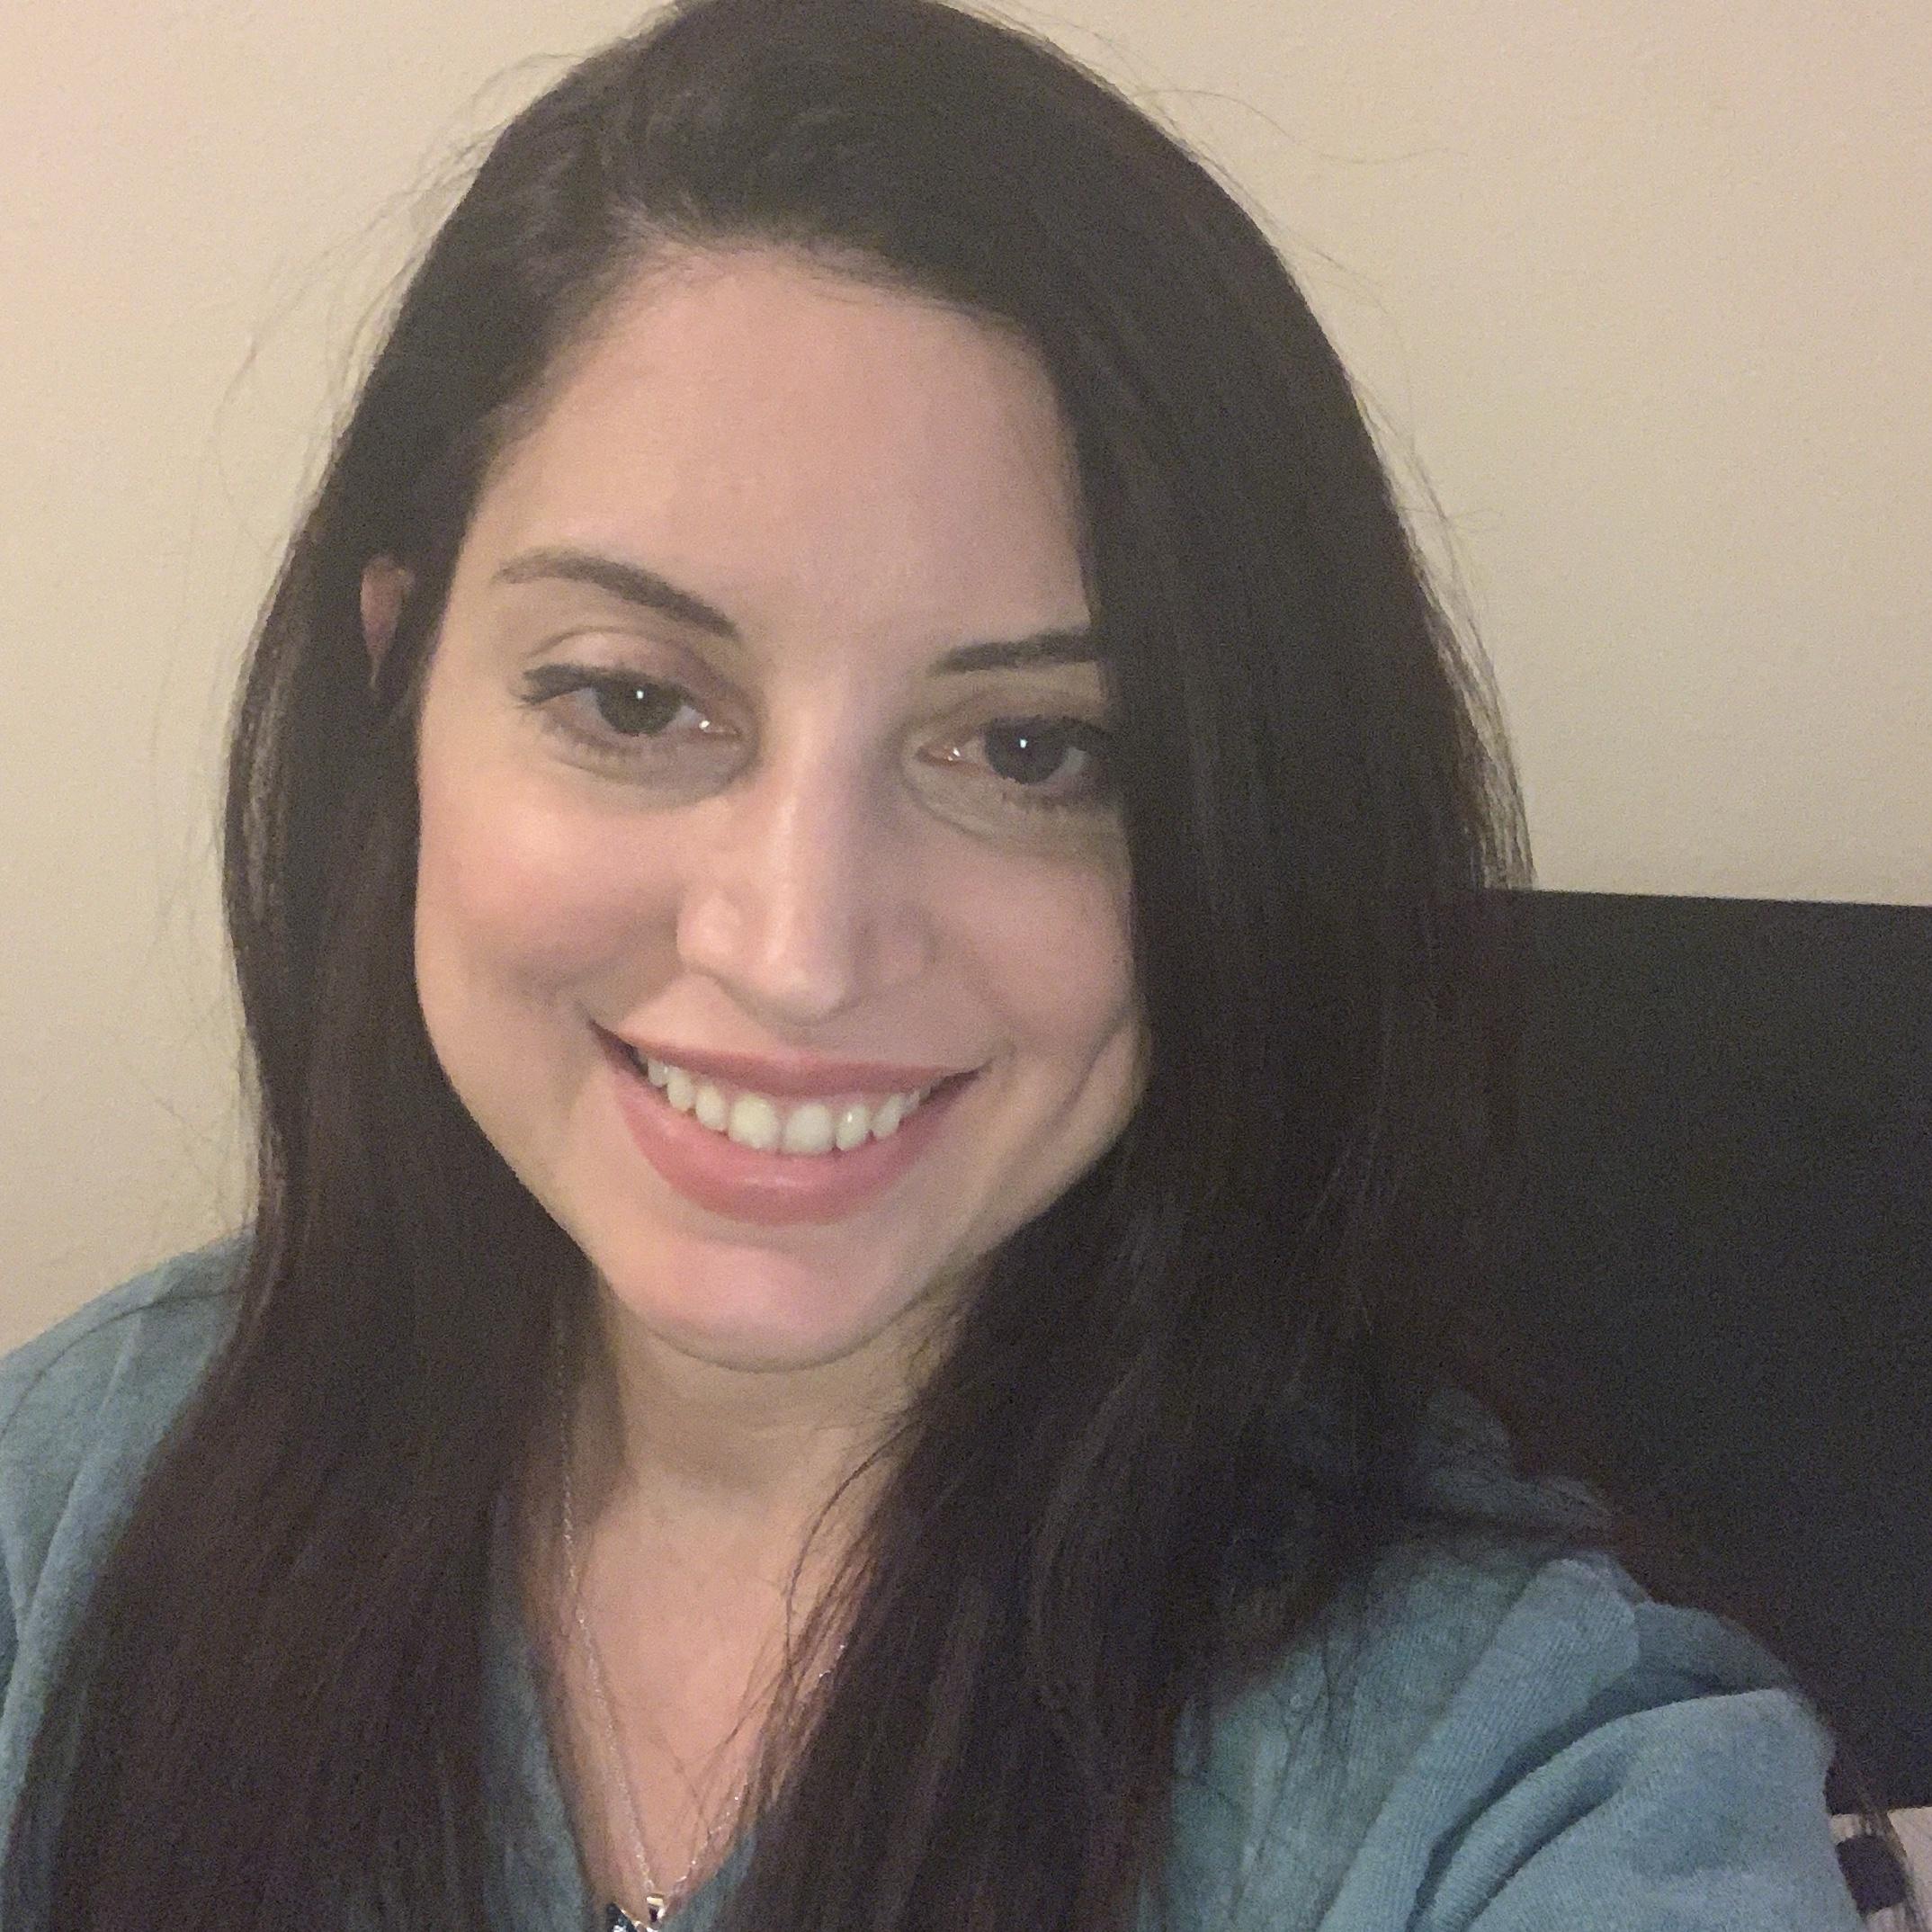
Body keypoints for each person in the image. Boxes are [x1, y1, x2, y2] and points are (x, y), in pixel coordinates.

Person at [0, 1, 1913, 1928]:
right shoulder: (68, 1501)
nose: (798, 950)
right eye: (635, 700)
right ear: (399, 681)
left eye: (1030, 749)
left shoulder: (1523, 1779)